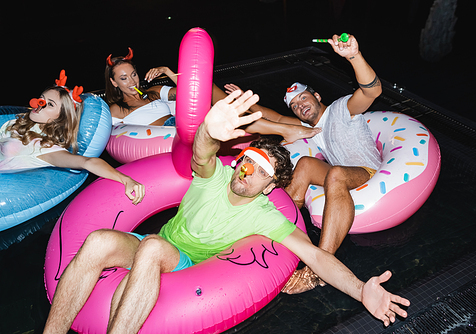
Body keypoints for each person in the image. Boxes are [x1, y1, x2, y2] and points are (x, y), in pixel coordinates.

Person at [43, 89, 409, 334]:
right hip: (150, 242)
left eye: (258, 172)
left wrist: (362, 291)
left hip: (182, 262)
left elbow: (315, 255)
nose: (245, 172)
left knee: (154, 249)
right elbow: (201, 152)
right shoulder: (214, 176)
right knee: (97, 241)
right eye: (245, 162)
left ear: (268, 187)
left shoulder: (265, 215)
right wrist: (209, 129)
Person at [224, 33, 383, 294]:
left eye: (303, 98)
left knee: (336, 175)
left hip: (368, 171)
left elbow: (372, 90)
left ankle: (319, 268)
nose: (300, 106)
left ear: (317, 95)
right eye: (295, 106)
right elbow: (272, 116)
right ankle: (277, 237)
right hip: (340, 173)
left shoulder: (342, 108)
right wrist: (245, 100)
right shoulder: (309, 127)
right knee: (307, 164)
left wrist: (354, 56)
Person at [105, 47, 321, 143]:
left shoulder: (152, 93)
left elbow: (193, 92)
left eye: (133, 74)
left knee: (224, 110)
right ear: (114, 82)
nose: (132, 81)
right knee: (226, 115)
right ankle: (286, 130)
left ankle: (286, 130)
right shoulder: (116, 110)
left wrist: (168, 72)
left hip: (182, 124)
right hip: (160, 137)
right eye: (124, 78)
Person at [0, 70, 145, 205]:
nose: (40, 104)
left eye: (50, 104)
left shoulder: (46, 148)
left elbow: (87, 162)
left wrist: (126, 180)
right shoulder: (16, 123)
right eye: (41, 98)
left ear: (61, 117)